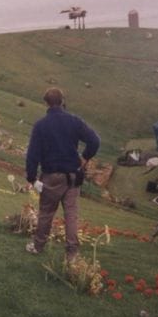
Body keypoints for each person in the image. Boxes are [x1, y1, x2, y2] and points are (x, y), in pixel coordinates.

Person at [24, 87, 100, 259]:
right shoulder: (74, 121)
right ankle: (72, 253)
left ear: (46, 103)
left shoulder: (41, 125)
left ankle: (38, 246)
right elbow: (95, 140)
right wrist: (85, 157)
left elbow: (33, 154)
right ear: (63, 101)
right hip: (73, 176)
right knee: (71, 214)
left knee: (46, 213)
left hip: (52, 176)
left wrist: (31, 177)